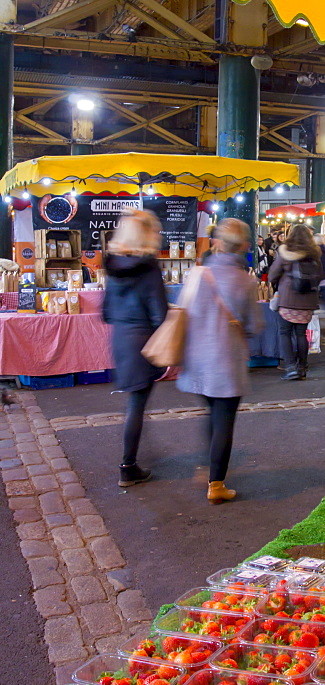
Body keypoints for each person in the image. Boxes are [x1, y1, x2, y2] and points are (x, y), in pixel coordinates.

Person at [177, 219, 262, 504]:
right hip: (227, 363)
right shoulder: (246, 281)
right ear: (245, 247)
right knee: (224, 421)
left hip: (198, 360)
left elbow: (183, 312)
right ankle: (216, 484)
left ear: (217, 243)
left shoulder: (198, 274)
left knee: (212, 414)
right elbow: (253, 325)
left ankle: (206, 468)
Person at [102, 210, 168, 488]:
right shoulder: (148, 266)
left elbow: (105, 312)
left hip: (120, 338)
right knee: (136, 405)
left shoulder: (113, 265)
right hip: (143, 341)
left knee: (135, 403)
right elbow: (159, 313)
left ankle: (133, 458)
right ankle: (128, 466)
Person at [268, 224, 323, 380]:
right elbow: (320, 276)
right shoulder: (314, 255)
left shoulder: (286, 253)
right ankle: (302, 367)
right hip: (307, 302)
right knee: (301, 334)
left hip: (287, 300)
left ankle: (290, 367)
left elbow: (272, 275)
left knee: (284, 333)